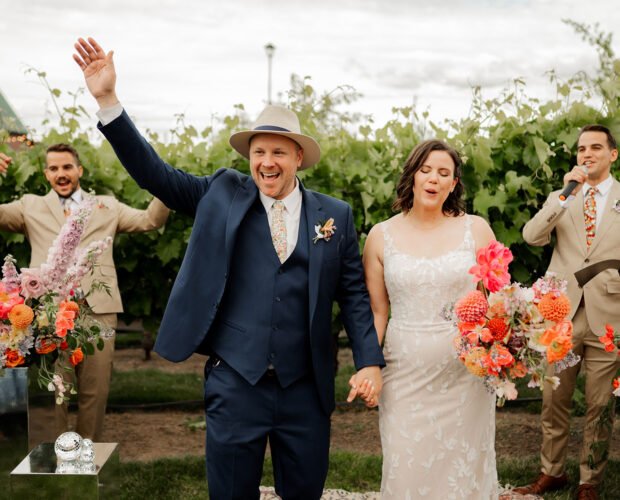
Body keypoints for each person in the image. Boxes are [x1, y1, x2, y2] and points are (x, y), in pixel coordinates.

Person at [73, 37, 384, 499]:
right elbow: (154, 174)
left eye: (279, 152)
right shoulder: (221, 192)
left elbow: (355, 296)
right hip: (237, 382)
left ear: (298, 158)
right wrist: (108, 101)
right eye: (259, 152)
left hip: (306, 389)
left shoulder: (333, 215)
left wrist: (370, 362)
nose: (267, 162)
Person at [0, 144, 170, 441]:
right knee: (54, 388)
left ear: (79, 170)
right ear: (46, 174)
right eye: (54, 168)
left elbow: (150, 220)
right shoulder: (29, 205)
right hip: (48, 314)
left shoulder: (107, 205)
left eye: (67, 167)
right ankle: (52, 463)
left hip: (98, 310)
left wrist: (164, 182)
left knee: (95, 390)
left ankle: (86, 462)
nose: (61, 174)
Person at [363, 139, 499, 498]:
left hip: (466, 375)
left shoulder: (477, 229)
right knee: (405, 465)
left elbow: (499, 302)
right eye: (426, 170)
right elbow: (379, 311)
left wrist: (499, 351)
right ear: (412, 175)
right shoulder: (381, 236)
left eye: (444, 173)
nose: (433, 179)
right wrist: (368, 364)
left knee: (462, 471)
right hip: (404, 374)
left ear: (454, 184)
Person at [516, 125, 620, 500]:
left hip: (611, 315)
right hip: (561, 315)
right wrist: (563, 196)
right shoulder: (562, 197)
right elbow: (532, 236)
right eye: (580, 149)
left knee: (600, 404)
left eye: (595, 147)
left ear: (613, 154)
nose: (586, 154)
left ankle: (590, 479)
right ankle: (552, 471)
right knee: (553, 399)